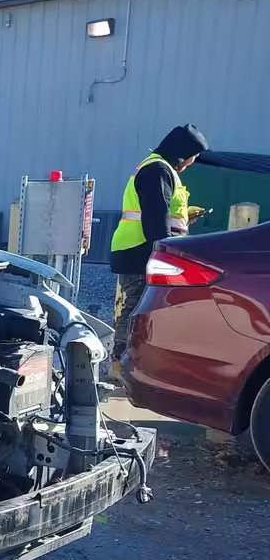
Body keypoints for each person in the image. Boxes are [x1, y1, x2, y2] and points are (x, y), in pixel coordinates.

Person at [107, 124, 209, 379]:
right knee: (137, 309)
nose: (191, 163)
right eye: (192, 158)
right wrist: (167, 255)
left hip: (136, 249)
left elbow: (160, 212)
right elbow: (155, 220)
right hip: (141, 252)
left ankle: (126, 366)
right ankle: (121, 367)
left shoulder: (157, 168)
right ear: (183, 154)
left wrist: (183, 218)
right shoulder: (158, 171)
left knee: (139, 309)